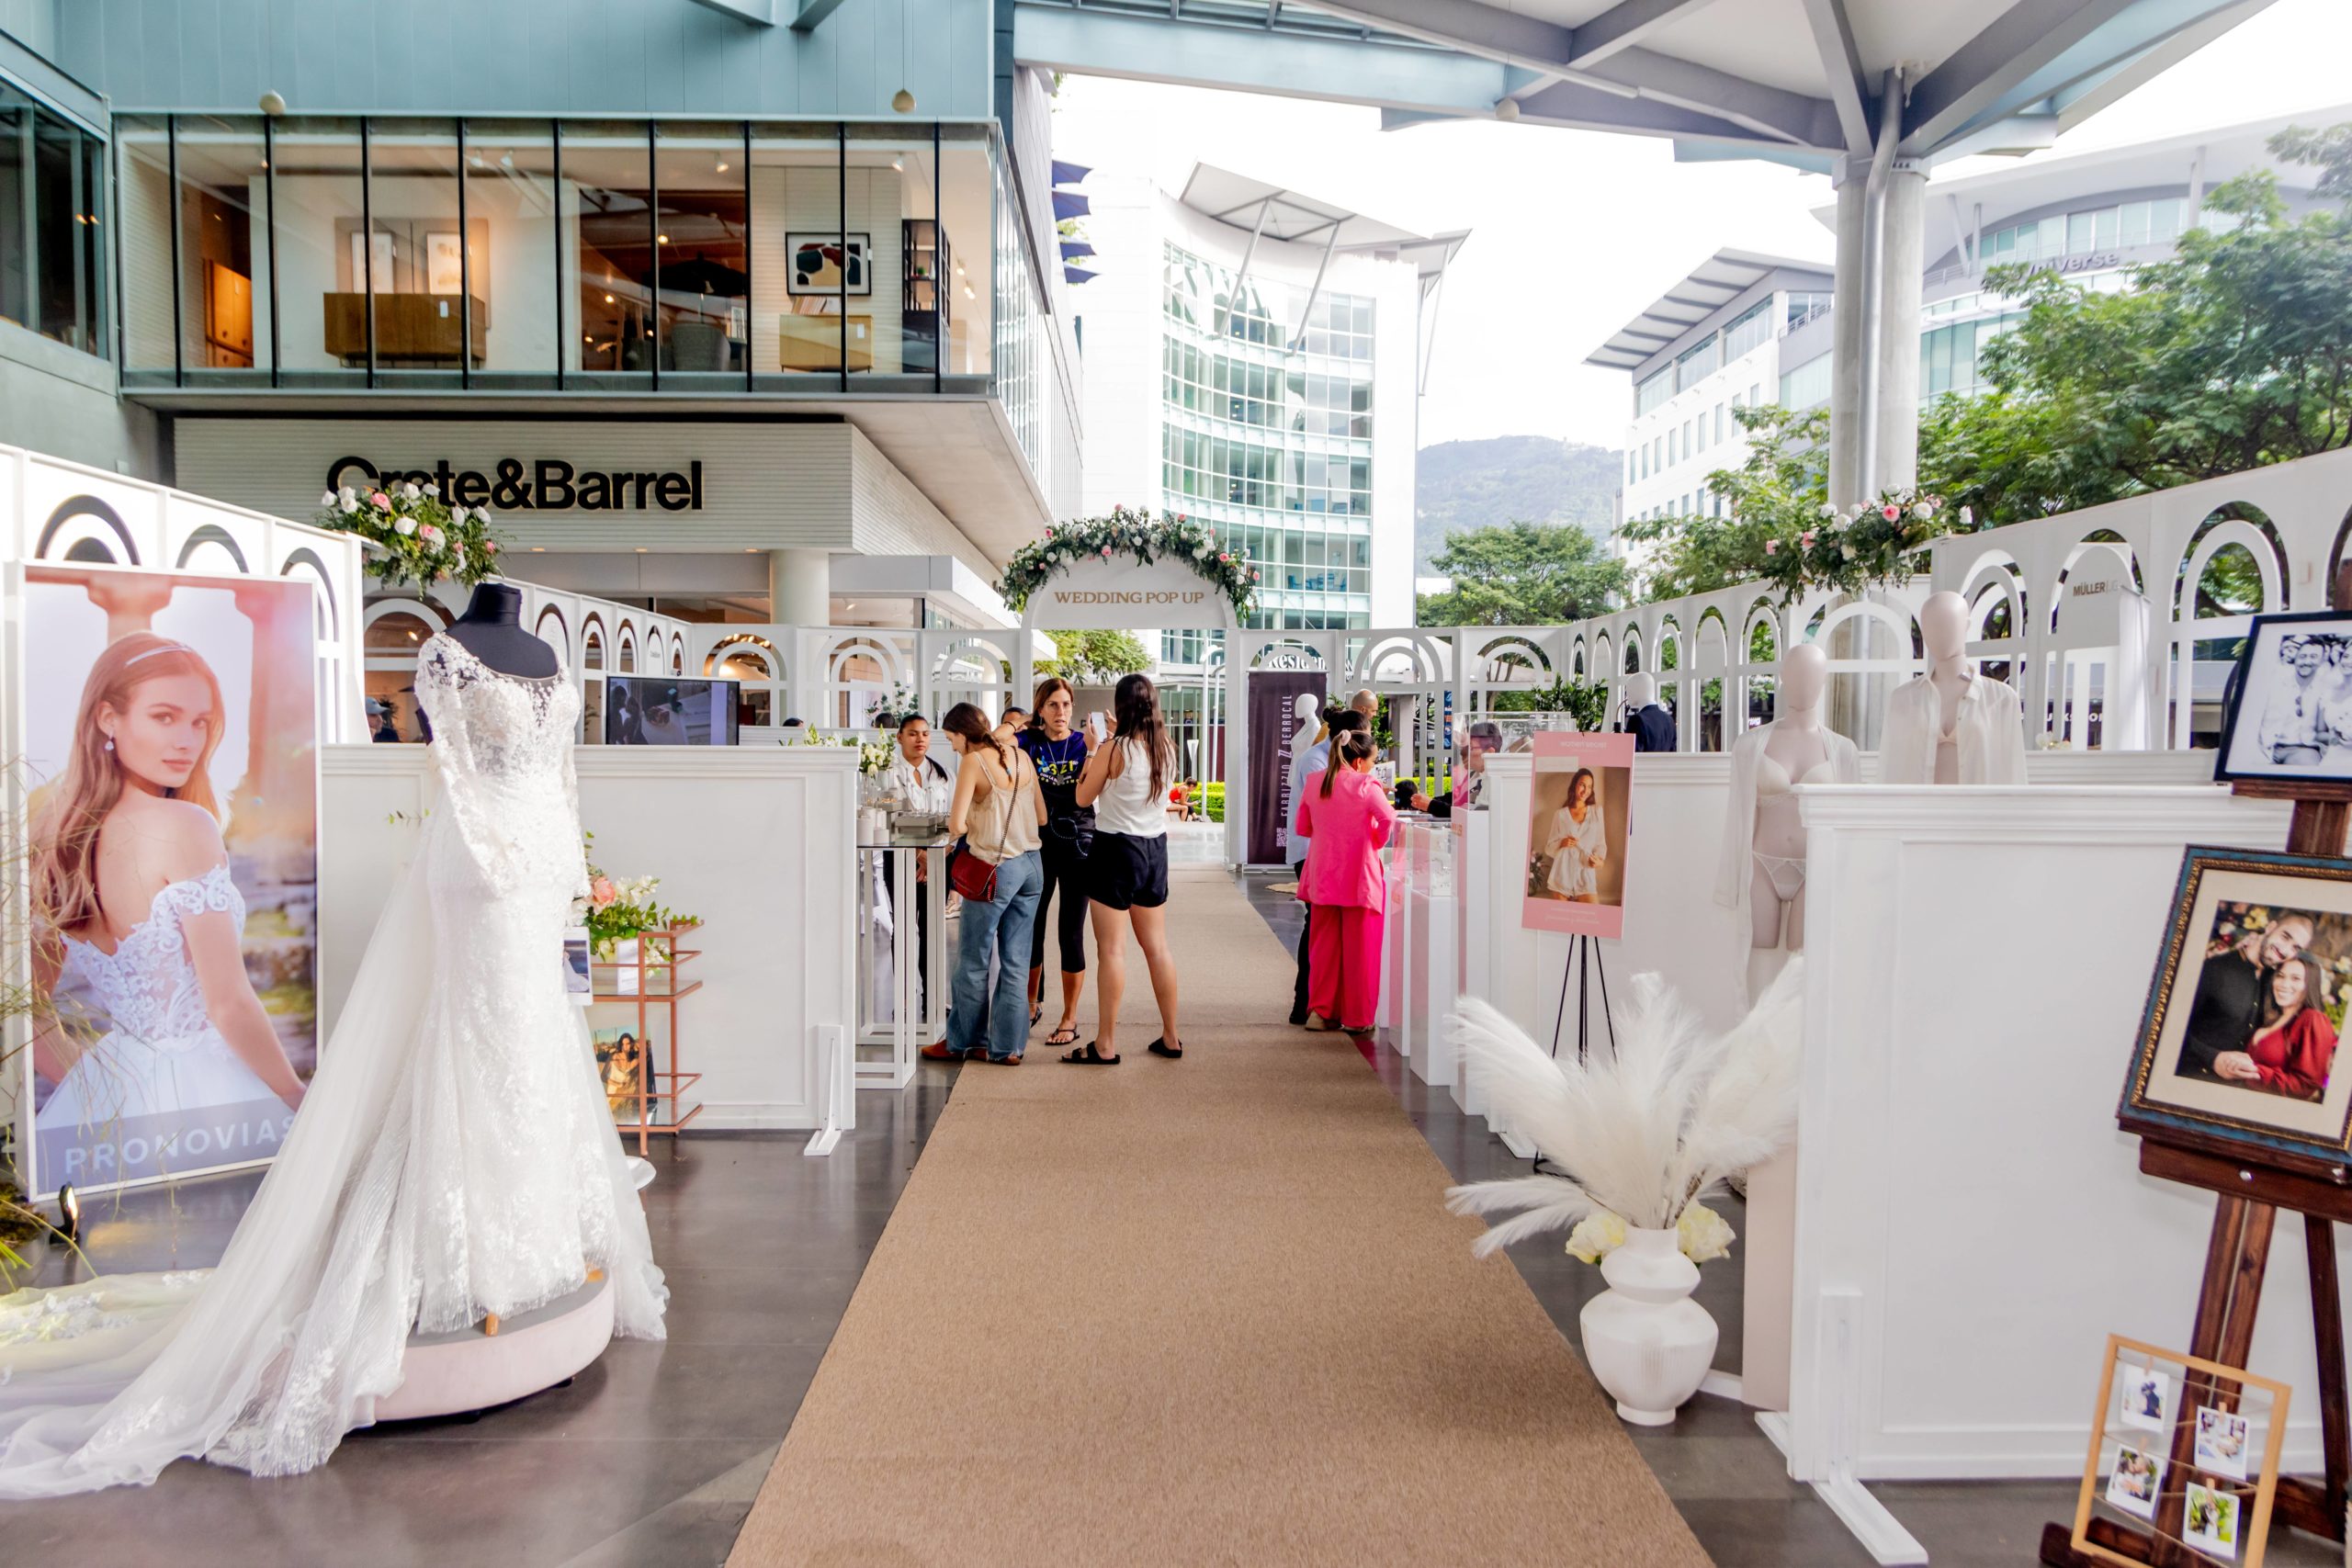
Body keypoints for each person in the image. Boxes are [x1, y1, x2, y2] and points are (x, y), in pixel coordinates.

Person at [31, 634, 308, 1127]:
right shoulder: (185, 825)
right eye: (164, 717)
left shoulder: (57, 838)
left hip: (115, 1095)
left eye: (199, 722)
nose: (187, 740)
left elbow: (21, 1010)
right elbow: (228, 1003)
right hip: (205, 1094)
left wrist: (87, 1085)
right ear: (107, 718)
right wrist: (296, 1097)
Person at [1070, 673, 1181, 1064]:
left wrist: (1091, 750)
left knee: (1112, 951)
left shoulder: (1111, 749)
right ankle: (1170, 1036)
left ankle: (1105, 1044)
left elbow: (1083, 796)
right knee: (1157, 948)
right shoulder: (1166, 747)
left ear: (1120, 707)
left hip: (1115, 851)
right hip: (1155, 851)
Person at [931, 703, 1045, 1066]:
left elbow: (956, 826)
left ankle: (962, 1041)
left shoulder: (973, 762)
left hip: (995, 868)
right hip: (1032, 866)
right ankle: (1008, 1048)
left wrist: (978, 819)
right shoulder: (1021, 757)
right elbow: (1041, 815)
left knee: (972, 960)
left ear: (963, 734)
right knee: (1015, 960)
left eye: (951, 738)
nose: (951, 746)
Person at [1291, 729, 1396, 1041]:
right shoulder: (1367, 785)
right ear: (1360, 761)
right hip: (1359, 876)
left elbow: (1303, 827)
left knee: (1322, 948)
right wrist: (1371, 840)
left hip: (1323, 873)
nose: (1374, 767)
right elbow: (1388, 820)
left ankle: (1322, 1013)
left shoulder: (1315, 782)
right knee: (1361, 949)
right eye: (1374, 761)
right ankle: (1358, 1017)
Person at [1018, 679, 1094, 1053]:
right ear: (1040, 708)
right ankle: (1031, 1004)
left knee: (1070, 932)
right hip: (1038, 843)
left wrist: (1098, 749)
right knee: (1032, 925)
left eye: (1065, 704)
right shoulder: (1029, 743)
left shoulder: (1084, 744)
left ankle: (1070, 1017)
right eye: (1052, 705)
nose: (1061, 712)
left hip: (1079, 844)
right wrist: (1016, 725)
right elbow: (994, 742)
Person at [1287, 710, 1364, 1026]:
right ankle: (1303, 1001)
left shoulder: (1332, 761)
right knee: (1315, 925)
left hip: (1329, 853)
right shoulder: (1315, 762)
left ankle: (1325, 1003)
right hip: (1312, 853)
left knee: (1323, 926)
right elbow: (1328, 806)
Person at [2177, 914, 2312, 1080]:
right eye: (2285, 937)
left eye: (2295, 948)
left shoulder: (2277, 984)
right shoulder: (2214, 969)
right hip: (2192, 1077)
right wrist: (2213, 1058)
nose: (2285, 950)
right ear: (2270, 928)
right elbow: (2171, 1028)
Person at [884, 714, 955, 1028]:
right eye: (912, 734)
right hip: (900, 860)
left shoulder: (943, 774)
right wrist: (917, 855)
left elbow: (955, 819)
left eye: (925, 734)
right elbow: (887, 819)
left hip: (938, 860)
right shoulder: (887, 773)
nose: (920, 739)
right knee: (904, 928)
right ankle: (903, 999)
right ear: (899, 737)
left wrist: (934, 856)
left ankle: (934, 998)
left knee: (931, 929)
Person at [2211, 953, 2338, 1100]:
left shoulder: (2313, 1019)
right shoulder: (2272, 1017)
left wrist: (2251, 1071)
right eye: (2280, 976)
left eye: (2296, 978)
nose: (2284, 984)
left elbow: (2305, 1086)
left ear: (2311, 984)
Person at [2257, 637, 2332, 764]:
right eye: (2302, 656)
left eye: (2313, 657)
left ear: (2322, 661)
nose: (2306, 661)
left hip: (2302, 749)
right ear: (2296, 657)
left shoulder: (2326, 688)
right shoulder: (2275, 681)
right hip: (2265, 747)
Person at [1413, 719, 1503, 818]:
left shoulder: (1497, 782)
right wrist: (1429, 802)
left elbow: (1473, 815)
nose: (1463, 753)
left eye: (1470, 748)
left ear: (1489, 753)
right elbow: (1457, 798)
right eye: (1463, 747)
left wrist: (1432, 805)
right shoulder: (1476, 776)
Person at [1542, 768, 1607, 902]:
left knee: (1592, 917)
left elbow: (1600, 844)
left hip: (1585, 875)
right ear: (1575, 785)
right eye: (1582, 785)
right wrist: (1562, 843)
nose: (1585, 790)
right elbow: (1549, 848)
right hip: (1562, 876)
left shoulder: (1597, 812)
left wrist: (1599, 861)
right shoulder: (1560, 814)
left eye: (1589, 786)